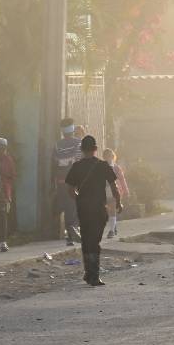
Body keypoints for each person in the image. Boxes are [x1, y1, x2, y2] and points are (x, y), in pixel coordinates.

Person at [65, 136, 122, 287]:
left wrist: (80, 199)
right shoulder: (103, 165)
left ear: (82, 150)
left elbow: (70, 190)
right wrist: (119, 202)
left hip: (83, 209)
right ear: (96, 149)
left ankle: (88, 273)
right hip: (98, 209)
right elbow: (114, 186)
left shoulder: (76, 166)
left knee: (86, 240)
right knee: (94, 241)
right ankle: (94, 275)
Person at [53, 118, 82, 245]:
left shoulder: (57, 145)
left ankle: (69, 238)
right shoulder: (79, 143)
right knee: (74, 207)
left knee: (66, 206)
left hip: (60, 181)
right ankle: (73, 229)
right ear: (72, 130)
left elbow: (53, 163)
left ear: (63, 132)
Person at [102, 148, 130, 238]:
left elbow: (122, 180)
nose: (108, 158)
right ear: (104, 157)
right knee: (108, 211)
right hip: (104, 192)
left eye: (110, 156)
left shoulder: (117, 168)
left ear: (113, 157)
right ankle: (113, 227)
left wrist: (126, 191)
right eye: (106, 157)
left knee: (112, 210)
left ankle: (111, 231)